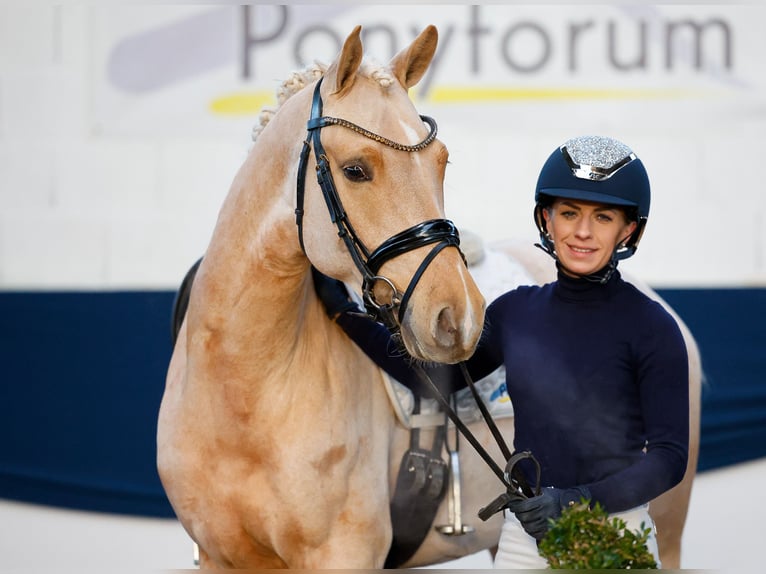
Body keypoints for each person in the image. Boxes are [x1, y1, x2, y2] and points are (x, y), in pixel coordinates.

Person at [312, 135, 689, 569]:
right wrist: (344, 313)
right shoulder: (515, 312)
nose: (582, 232)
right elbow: (438, 380)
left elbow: (668, 458)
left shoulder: (653, 327)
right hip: (524, 540)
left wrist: (574, 501)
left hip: (616, 531)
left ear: (629, 230)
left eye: (602, 217)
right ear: (546, 220)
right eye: (569, 214)